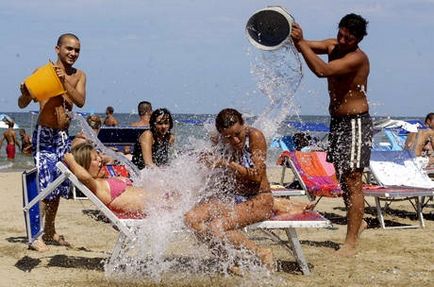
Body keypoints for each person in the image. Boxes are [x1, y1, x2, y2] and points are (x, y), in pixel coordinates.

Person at [291, 14, 372, 256]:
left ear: (357, 39)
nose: (342, 39)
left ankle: (350, 242)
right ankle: (359, 221)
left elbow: (322, 70)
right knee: (343, 179)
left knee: (353, 181)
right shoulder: (332, 45)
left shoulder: (357, 58)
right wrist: (290, 32)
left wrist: (301, 43)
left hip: (356, 123)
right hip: (337, 122)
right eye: (341, 33)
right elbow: (301, 44)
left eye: (349, 37)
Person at [184, 108, 275, 273]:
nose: (234, 140)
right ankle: (226, 259)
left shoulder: (254, 136)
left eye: (237, 134)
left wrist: (226, 164)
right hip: (234, 198)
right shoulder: (220, 141)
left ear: (243, 125)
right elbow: (213, 170)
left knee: (216, 226)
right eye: (228, 137)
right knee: (191, 219)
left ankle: (262, 252)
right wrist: (204, 161)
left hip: (259, 199)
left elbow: (256, 176)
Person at [18, 33, 86, 252]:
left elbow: (80, 101)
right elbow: (22, 103)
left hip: (63, 136)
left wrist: (64, 80)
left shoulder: (78, 76)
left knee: (58, 183)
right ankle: (35, 236)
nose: (73, 54)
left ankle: (49, 230)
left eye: (76, 50)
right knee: (44, 184)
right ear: (57, 49)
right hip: (45, 135)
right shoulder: (42, 72)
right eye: (69, 49)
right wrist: (25, 94)